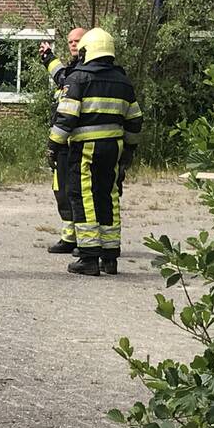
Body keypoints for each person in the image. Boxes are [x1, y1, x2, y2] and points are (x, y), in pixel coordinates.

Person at [48, 28, 142, 276]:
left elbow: (65, 117)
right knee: (108, 196)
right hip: (113, 149)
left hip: (85, 149)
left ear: (87, 50)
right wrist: (129, 150)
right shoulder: (123, 81)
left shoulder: (78, 78)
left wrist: (53, 145)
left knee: (83, 196)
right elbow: (135, 120)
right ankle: (110, 257)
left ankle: (89, 257)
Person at [41, 27, 87, 255]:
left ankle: (84, 240)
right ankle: (69, 236)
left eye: (77, 40)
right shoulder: (73, 70)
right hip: (63, 143)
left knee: (77, 191)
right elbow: (62, 78)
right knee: (62, 190)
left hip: (79, 143)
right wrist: (49, 57)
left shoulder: (88, 70)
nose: (73, 44)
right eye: (70, 41)